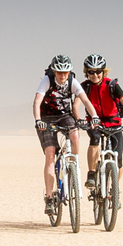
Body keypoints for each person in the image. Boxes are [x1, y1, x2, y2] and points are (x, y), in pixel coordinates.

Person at [29, 54, 91, 218]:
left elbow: (85, 100)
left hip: (64, 116)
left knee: (75, 135)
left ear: (69, 71)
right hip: (46, 118)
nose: (62, 75)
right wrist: (37, 120)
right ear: (54, 71)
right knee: (50, 154)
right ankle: (49, 197)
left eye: (65, 72)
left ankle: (74, 165)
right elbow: (37, 101)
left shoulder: (72, 81)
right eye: (59, 72)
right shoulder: (47, 80)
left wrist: (95, 116)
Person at [79, 53, 123, 197]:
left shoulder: (112, 85)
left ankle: (114, 188)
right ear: (87, 72)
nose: (95, 75)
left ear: (103, 71)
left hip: (114, 124)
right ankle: (92, 174)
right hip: (95, 124)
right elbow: (76, 104)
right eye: (91, 72)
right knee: (94, 141)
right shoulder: (85, 87)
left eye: (98, 71)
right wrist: (79, 119)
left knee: (118, 160)